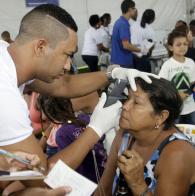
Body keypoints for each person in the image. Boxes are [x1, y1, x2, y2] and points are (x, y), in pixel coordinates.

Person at [0, 3, 158, 194]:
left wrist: (113, 72)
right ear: (41, 46)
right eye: (67, 55)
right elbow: (41, 178)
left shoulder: (9, 54)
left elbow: (63, 84)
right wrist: (96, 128)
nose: (68, 65)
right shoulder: (5, 96)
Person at [94, 77, 195, 196]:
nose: (125, 106)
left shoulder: (178, 153)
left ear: (161, 117)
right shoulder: (125, 135)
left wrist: (138, 184)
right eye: (127, 98)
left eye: (136, 102)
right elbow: (104, 188)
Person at [159, 30, 195, 124]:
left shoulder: (191, 63)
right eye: (178, 45)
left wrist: (186, 93)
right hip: (175, 110)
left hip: (191, 108)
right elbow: (162, 86)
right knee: (176, 135)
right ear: (171, 47)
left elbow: (193, 83)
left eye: (185, 44)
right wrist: (176, 96)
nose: (182, 47)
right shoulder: (167, 65)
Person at [111, 0, 143, 68]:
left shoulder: (120, 22)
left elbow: (122, 42)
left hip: (118, 60)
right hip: (123, 62)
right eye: (134, 8)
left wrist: (134, 46)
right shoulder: (123, 24)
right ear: (130, 9)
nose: (135, 11)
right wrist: (141, 50)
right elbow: (126, 45)